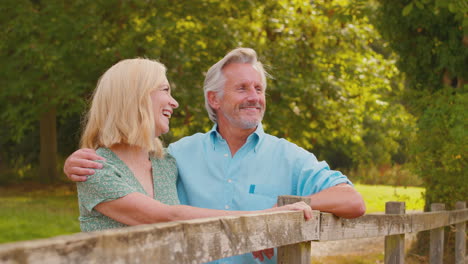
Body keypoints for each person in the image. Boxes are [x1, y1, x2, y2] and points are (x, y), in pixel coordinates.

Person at [64, 49, 365, 263]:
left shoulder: (165, 163)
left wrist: (295, 208)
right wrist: (262, 225)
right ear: (214, 99)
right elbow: (165, 213)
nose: (255, 97)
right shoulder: (177, 156)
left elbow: (353, 200)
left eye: (259, 88)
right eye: (243, 88)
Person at [74, 58, 312, 232]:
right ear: (135, 97)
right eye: (165, 90)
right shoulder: (94, 169)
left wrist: (255, 237)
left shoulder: (165, 163)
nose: (174, 102)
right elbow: (168, 217)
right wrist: (262, 220)